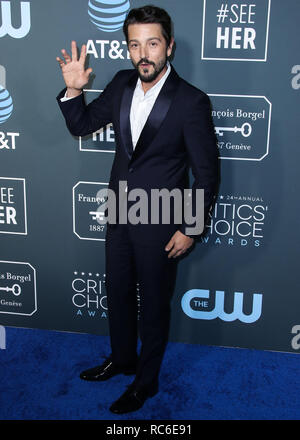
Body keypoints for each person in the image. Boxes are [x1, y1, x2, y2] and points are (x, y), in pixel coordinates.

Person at [56, 5, 218, 414]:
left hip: (162, 221)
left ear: (169, 47)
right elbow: (82, 124)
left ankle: (145, 383)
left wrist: (191, 228)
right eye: (134, 44)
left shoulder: (191, 102)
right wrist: (75, 91)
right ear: (127, 49)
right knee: (119, 293)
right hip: (118, 213)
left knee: (154, 304)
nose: (143, 53)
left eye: (152, 43)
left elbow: (207, 174)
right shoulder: (122, 83)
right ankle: (122, 358)